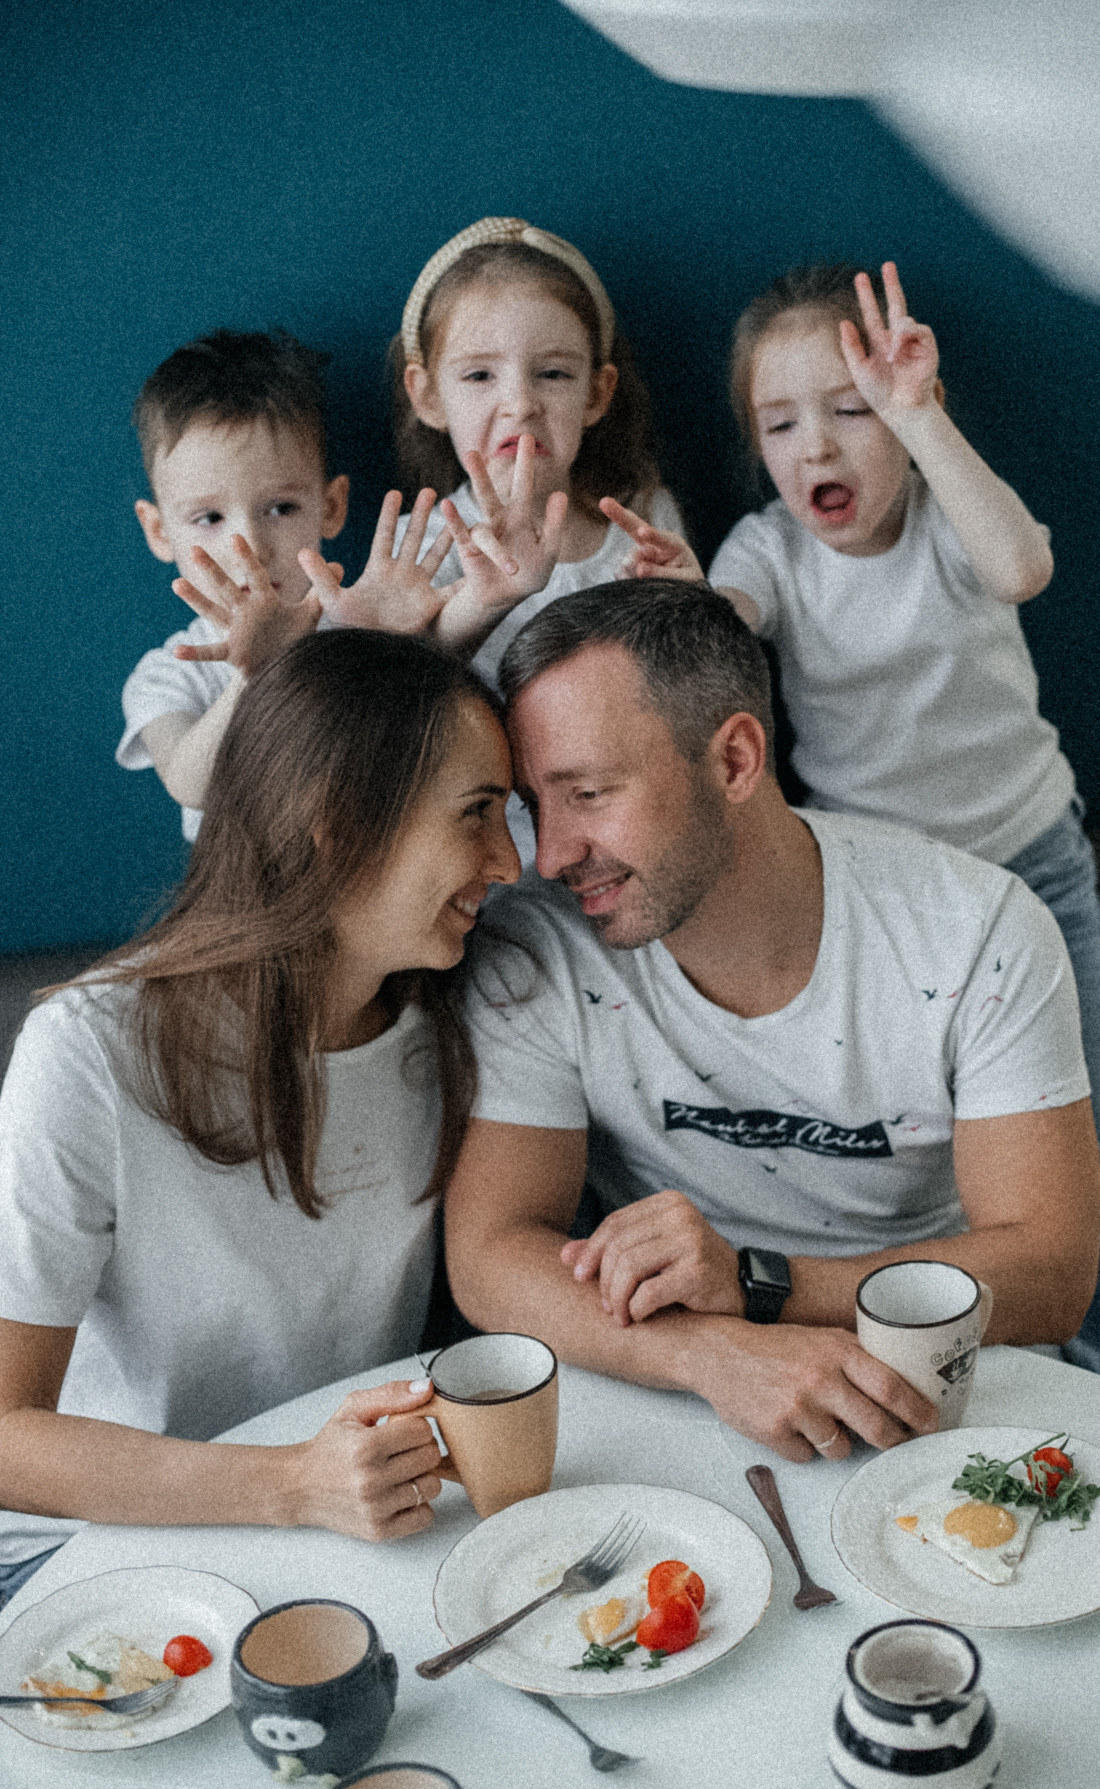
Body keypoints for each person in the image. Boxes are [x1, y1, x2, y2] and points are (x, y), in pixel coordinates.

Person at [603, 263, 1100, 1416]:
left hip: (1034, 863)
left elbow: (1024, 565)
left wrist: (921, 419)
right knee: (954, 1173)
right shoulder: (768, 551)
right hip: (888, 909)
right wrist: (682, 601)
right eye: (781, 424)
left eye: (850, 409)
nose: (816, 446)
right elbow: (728, 633)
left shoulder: (945, 525)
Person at [443, 581, 1100, 1464]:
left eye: (591, 793)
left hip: (948, 1384)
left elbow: (1052, 1272)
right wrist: (714, 1353)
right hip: (690, 1390)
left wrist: (759, 1288)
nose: (554, 854)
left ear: (735, 760)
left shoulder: (976, 929)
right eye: (536, 805)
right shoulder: (538, 946)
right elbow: (489, 1254)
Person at [0, 630, 519, 1605]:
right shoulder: (88, 1051)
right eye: (477, 813)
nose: (509, 862)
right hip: (90, 1557)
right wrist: (290, 1484)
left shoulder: (454, 1020)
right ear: (331, 818)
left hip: (351, 1535)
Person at [300, 219, 684, 862]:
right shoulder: (423, 546)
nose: (519, 403)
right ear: (427, 396)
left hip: (634, 834)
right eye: (479, 376)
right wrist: (452, 619)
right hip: (497, 852)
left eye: (553, 375)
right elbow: (400, 720)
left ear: (597, 392)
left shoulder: (642, 514)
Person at [118, 329, 351, 841]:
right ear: (159, 531)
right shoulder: (170, 676)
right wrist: (254, 672)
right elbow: (189, 781)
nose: (248, 546)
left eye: (280, 508)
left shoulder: (362, 634)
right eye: (210, 517)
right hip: (246, 908)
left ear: (330, 507)